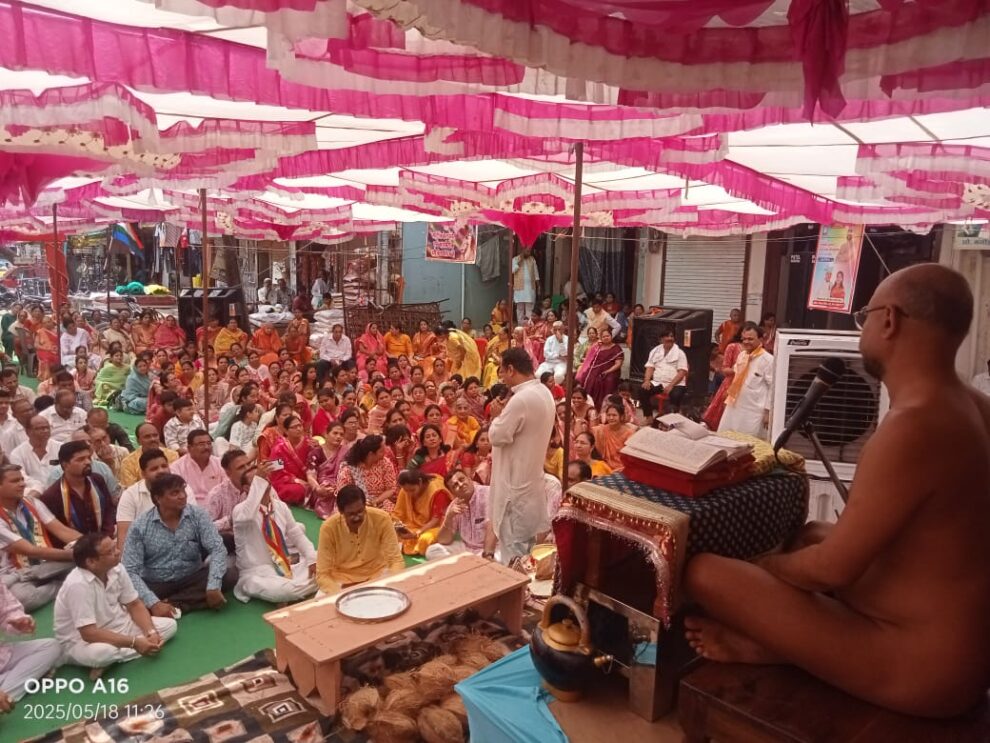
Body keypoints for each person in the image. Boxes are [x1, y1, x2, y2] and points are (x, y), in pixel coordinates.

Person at [685, 264, 990, 719]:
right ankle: (792, 645)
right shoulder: (973, 405)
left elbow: (832, 570)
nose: (862, 327)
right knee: (811, 533)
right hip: (953, 638)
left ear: (890, 320)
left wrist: (765, 568)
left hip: (921, 666)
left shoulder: (915, 424)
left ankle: (781, 648)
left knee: (706, 572)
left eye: (864, 315)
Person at [54, 533, 177, 676]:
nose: (118, 552)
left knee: (170, 626)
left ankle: (115, 659)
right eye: (110, 551)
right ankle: (112, 657)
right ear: (91, 562)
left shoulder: (117, 568)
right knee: (105, 654)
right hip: (81, 641)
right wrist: (134, 643)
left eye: (115, 547)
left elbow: (134, 604)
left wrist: (151, 633)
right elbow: (89, 633)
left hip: (120, 625)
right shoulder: (77, 585)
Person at [123, 473, 235, 616]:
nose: (182, 496)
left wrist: (213, 585)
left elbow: (217, 548)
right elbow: (130, 570)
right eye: (175, 493)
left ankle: (173, 604)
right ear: (158, 499)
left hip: (192, 576)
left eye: (183, 490)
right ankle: (178, 603)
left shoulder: (198, 515)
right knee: (130, 594)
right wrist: (153, 602)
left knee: (229, 576)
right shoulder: (140, 526)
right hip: (157, 583)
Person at [487, 348, 555, 562]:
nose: (502, 377)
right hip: (530, 485)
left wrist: (496, 416)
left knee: (514, 556)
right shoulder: (544, 392)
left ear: (511, 369)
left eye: (502, 371)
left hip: (514, 489)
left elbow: (497, 436)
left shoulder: (521, 399)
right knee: (526, 552)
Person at [232, 462, 317, 604]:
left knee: (323, 559)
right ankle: (308, 585)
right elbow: (248, 515)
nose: (263, 480)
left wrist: (312, 559)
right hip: (257, 573)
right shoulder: (240, 511)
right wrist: (259, 479)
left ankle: (304, 584)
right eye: (258, 479)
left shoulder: (280, 506)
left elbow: (297, 536)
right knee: (285, 591)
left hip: (285, 566)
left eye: (264, 477)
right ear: (246, 488)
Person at [0, 464, 79, 610]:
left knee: (91, 561)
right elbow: (31, 550)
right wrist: (76, 554)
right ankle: (64, 586)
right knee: (23, 599)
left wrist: (91, 543)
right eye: (15, 481)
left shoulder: (32, 502)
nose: (22, 484)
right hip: (16, 574)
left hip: (48, 565)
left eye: (22, 479)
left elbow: (61, 530)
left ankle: (65, 581)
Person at [314, 484, 404, 596]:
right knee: (322, 601)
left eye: (360, 511)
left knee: (400, 592)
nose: (357, 517)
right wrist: (340, 595)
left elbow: (396, 560)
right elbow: (322, 574)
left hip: (378, 574)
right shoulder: (329, 528)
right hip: (342, 579)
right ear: (341, 511)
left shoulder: (382, 518)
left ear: (365, 506)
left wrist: (393, 581)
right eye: (351, 514)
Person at [0, 578, 63, 708]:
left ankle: (5, 695)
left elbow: (8, 611)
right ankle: (9, 693)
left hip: (3, 654)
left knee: (51, 647)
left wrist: (19, 621)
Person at [40, 441, 116, 539]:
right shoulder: (51, 496)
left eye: (89, 457)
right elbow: (56, 533)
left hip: (105, 539)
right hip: (73, 545)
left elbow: (108, 511)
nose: (88, 462)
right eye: (80, 459)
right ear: (65, 465)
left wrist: (106, 536)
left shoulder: (97, 480)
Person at [717, 322, 774, 439]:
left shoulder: (768, 360)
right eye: (744, 339)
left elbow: (772, 388)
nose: (746, 342)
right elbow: (736, 376)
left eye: (750, 339)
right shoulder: (742, 355)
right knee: (726, 437)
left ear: (760, 339)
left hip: (753, 411)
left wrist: (768, 412)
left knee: (749, 442)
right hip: (734, 405)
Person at [117, 448, 181, 547]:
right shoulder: (130, 495)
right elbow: (124, 536)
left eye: (164, 466)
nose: (161, 471)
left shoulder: (183, 490)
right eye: (154, 469)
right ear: (143, 474)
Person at [426, 469, 490, 560]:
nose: (460, 484)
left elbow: (492, 528)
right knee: (433, 551)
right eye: (455, 485)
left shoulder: (487, 493)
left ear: (469, 478)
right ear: (452, 492)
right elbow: (443, 540)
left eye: (462, 479)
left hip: (491, 548)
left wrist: (487, 554)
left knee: (498, 558)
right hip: (467, 548)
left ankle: (466, 564)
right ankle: (468, 564)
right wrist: (449, 517)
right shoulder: (454, 505)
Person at [392, 469, 451, 556]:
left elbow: (436, 520)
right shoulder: (405, 490)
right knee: (390, 531)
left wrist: (417, 533)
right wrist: (397, 525)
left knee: (425, 539)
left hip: (437, 526)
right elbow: (398, 513)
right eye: (406, 491)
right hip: (413, 526)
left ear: (420, 482)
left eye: (412, 490)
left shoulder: (437, 491)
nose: (409, 494)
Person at [337, 435, 398, 512]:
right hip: (354, 505)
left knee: (391, 515)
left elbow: (391, 489)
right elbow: (343, 494)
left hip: (380, 502)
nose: (385, 453)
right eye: (381, 451)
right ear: (371, 454)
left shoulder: (385, 463)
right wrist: (363, 503)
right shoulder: (349, 468)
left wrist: (375, 502)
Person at [638, 330, 689, 418]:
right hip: (658, 382)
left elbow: (682, 372)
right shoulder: (655, 351)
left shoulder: (680, 353)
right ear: (661, 339)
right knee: (642, 390)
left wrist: (671, 385)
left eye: (671, 336)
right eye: (667, 336)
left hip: (676, 384)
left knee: (676, 395)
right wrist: (647, 380)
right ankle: (649, 417)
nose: (670, 338)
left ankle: (672, 421)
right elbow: (650, 367)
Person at [268, 416, 318, 506]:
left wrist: (318, 448)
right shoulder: (278, 448)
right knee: (296, 490)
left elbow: (318, 463)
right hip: (287, 482)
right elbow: (276, 473)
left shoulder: (310, 443)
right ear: (286, 431)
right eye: (294, 427)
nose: (298, 429)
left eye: (300, 425)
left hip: (310, 480)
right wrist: (295, 480)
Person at [8, 415, 61, 497]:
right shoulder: (17, 453)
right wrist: (39, 488)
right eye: (40, 428)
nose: (45, 431)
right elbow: (22, 476)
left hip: (59, 492)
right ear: (28, 432)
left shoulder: (60, 448)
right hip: (33, 493)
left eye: (47, 427)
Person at [169, 430, 224, 507]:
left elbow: (226, 490)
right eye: (201, 444)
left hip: (218, 507)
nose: (206, 447)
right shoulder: (177, 468)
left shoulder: (220, 463)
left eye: (209, 443)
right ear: (189, 448)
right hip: (190, 509)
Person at [575, 328, 624, 408]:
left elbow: (618, 364)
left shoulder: (617, 348)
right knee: (589, 377)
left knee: (608, 380)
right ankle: (588, 402)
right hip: (596, 368)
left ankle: (603, 405)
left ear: (611, 336)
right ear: (601, 338)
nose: (606, 338)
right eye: (603, 336)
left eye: (607, 336)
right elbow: (591, 358)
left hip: (611, 371)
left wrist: (607, 371)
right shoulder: (598, 347)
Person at [119, 423, 179, 488]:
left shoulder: (173, 455)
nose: (153, 439)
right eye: (147, 437)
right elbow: (130, 488)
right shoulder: (128, 463)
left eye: (155, 435)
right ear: (138, 441)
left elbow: (177, 482)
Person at [591, 403, 635, 472]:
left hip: (622, 467)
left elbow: (630, 456)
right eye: (609, 415)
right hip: (604, 465)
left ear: (621, 417)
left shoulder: (629, 433)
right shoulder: (600, 430)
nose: (611, 418)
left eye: (614, 415)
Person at [511, 248, 539, 323]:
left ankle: (528, 325)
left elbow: (536, 273)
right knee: (520, 308)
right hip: (519, 288)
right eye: (527, 251)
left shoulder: (532, 259)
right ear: (522, 251)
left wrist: (538, 285)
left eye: (529, 251)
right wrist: (520, 261)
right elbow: (513, 270)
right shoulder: (515, 259)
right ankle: (520, 325)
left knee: (529, 307)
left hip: (530, 288)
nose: (529, 253)